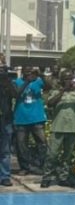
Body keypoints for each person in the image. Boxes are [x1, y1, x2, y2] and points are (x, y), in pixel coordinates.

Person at [43, 73, 75, 188]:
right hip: (58, 126)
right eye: (66, 79)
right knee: (52, 154)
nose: (69, 81)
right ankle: (47, 176)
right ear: (62, 80)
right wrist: (63, 91)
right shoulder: (56, 92)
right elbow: (50, 103)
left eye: (70, 79)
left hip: (73, 127)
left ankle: (63, 177)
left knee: (67, 155)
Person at [14, 68, 48, 175]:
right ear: (23, 73)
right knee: (21, 145)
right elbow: (16, 93)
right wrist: (27, 81)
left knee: (42, 143)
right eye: (27, 72)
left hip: (37, 117)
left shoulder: (38, 81)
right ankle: (25, 167)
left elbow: (49, 86)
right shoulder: (17, 82)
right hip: (21, 118)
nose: (29, 74)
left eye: (31, 72)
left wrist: (41, 75)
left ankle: (39, 165)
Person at [0, 57, 15, 187]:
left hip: (6, 120)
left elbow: (16, 94)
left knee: (5, 150)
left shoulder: (8, 82)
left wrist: (6, 80)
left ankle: (5, 176)